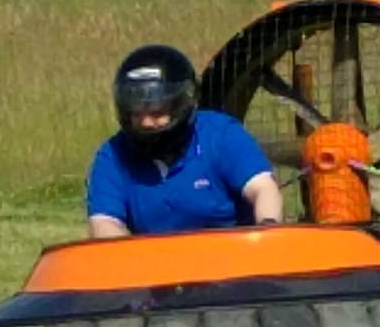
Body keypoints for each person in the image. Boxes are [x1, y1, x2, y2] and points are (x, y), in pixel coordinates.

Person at [85, 44, 284, 238]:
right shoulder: (112, 157)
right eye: (137, 114)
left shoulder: (220, 135)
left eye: (157, 113)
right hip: (157, 266)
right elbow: (104, 223)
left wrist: (267, 229)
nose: (146, 122)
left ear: (182, 105)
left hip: (236, 260)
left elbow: (263, 189)